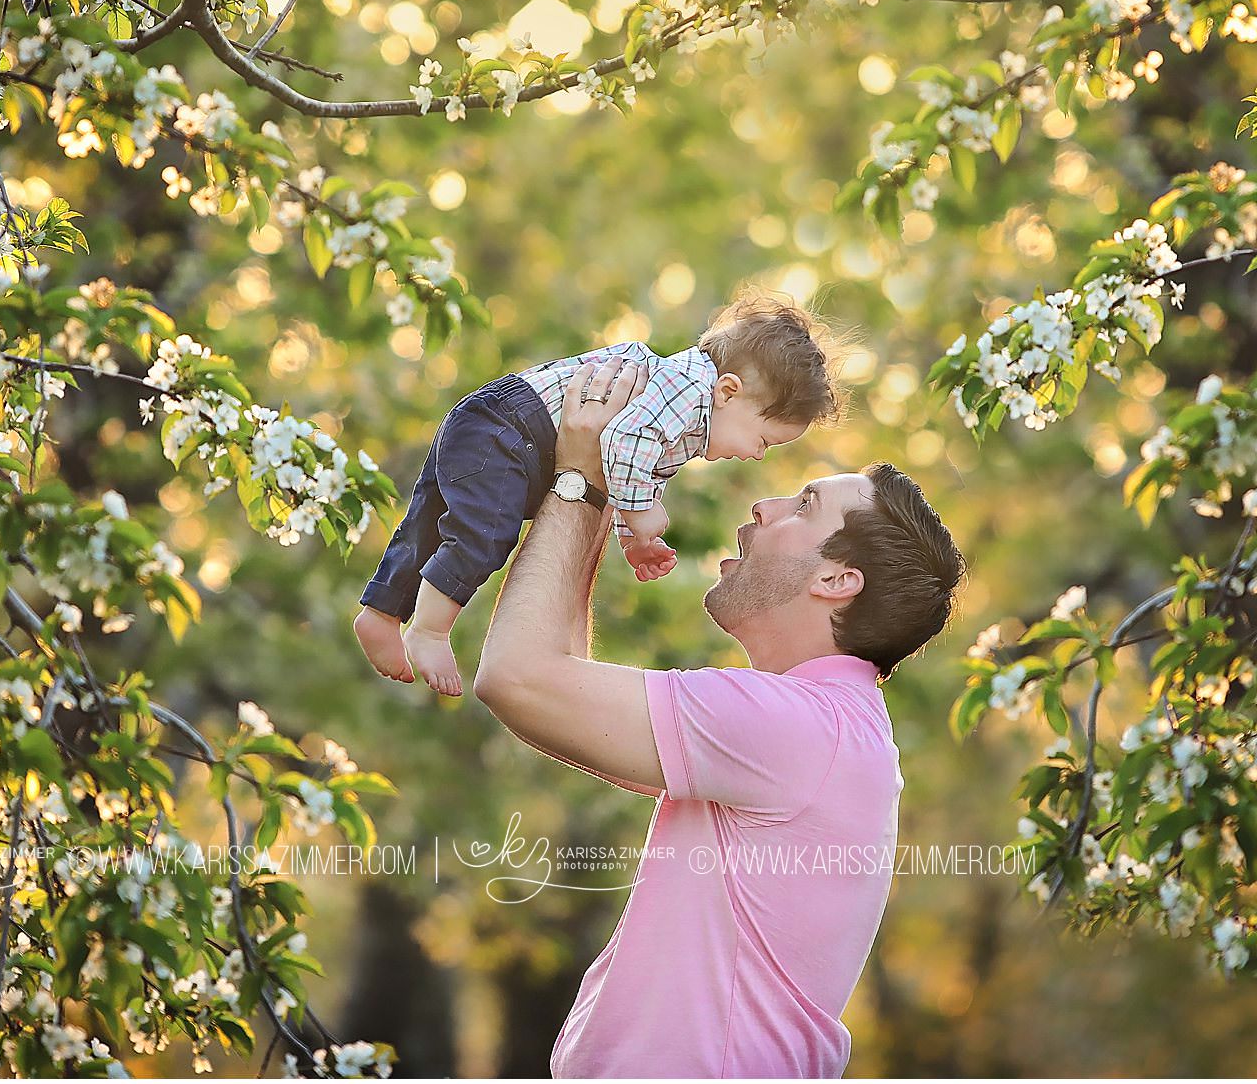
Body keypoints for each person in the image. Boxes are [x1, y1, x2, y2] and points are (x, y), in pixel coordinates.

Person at [475, 357, 966, 1078]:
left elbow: (518, 679)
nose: (765, 507)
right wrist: (607, 479)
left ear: (837, 580)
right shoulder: (818, 728)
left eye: (803, 506)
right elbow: (558, 688)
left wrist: (582, 479)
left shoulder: (795, 728)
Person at [355, 291, 843, 696]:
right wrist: (643, 509)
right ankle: (430, 629)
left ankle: (381, 612)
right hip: (510, 431)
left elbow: (620, 472)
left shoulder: (689, 425)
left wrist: (636, 538)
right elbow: (622, 443)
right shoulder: (686, 390)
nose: (758, 456)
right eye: (764, 440)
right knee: (483, 534)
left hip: (495, 425)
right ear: (729, 392)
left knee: (429, 518)